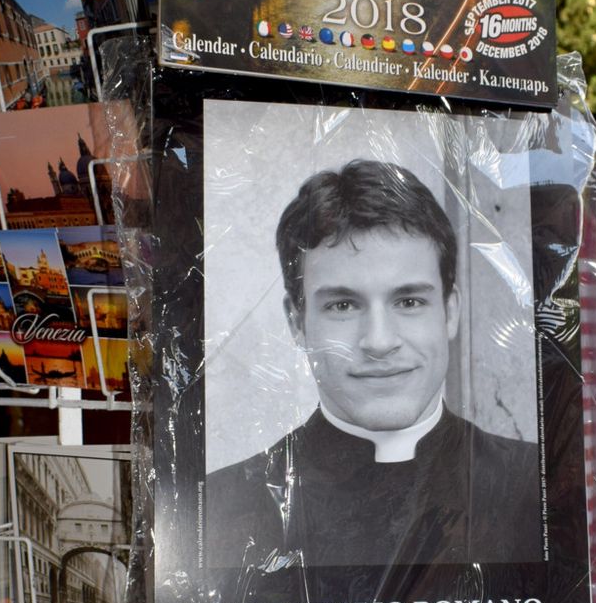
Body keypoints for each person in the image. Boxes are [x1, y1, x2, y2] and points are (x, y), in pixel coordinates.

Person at [205, 158, 541, 568]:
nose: (379, 342)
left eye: (409, 301)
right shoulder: (219, 507)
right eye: (343, 305)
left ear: (450, 312)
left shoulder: (539, 487)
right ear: (298, 322)